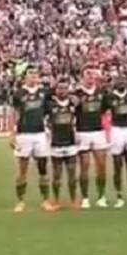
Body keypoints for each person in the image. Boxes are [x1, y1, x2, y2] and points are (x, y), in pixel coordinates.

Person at [9, 66, 52, 213]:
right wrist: (12, 133)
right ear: (25, 77)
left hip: (40, 133)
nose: (33, 77)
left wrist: (48, 129)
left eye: (35, 74)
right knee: (22, 169)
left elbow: (48, 112)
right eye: (30, 74)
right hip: (23, 134)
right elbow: (14, 114)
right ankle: (20, 201)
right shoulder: (19, 94)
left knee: (43, 168)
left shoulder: (44, 93)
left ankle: (45, 200)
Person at [75, 68, 109, 209]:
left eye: (92, 75)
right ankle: (85, 198)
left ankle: (101, 196)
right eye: (87, 74)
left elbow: (104, 110)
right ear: (82, 77)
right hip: (82, 132)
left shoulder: (101, 93)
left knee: (101, 166)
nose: (90, 77)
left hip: (98, 132)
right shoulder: (76, 94)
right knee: (84, 166)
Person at [47, 79, 80, 211]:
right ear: (56, 90)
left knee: (72, 175)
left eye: (65, 88)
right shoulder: (50, 104)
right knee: (56, 176)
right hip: (56, 143)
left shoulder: (74, 103)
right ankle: (56, 200)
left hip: (70, 143)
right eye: (60, 88)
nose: (62, 90)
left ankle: (73, 200)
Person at [107, 75, 127, 208]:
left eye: (123, 81)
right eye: (118, 81)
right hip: (116, 129)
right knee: (117, 163)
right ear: (114, 84)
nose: (121, 83)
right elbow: (103, 109)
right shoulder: (109, 97)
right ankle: (119, 195)